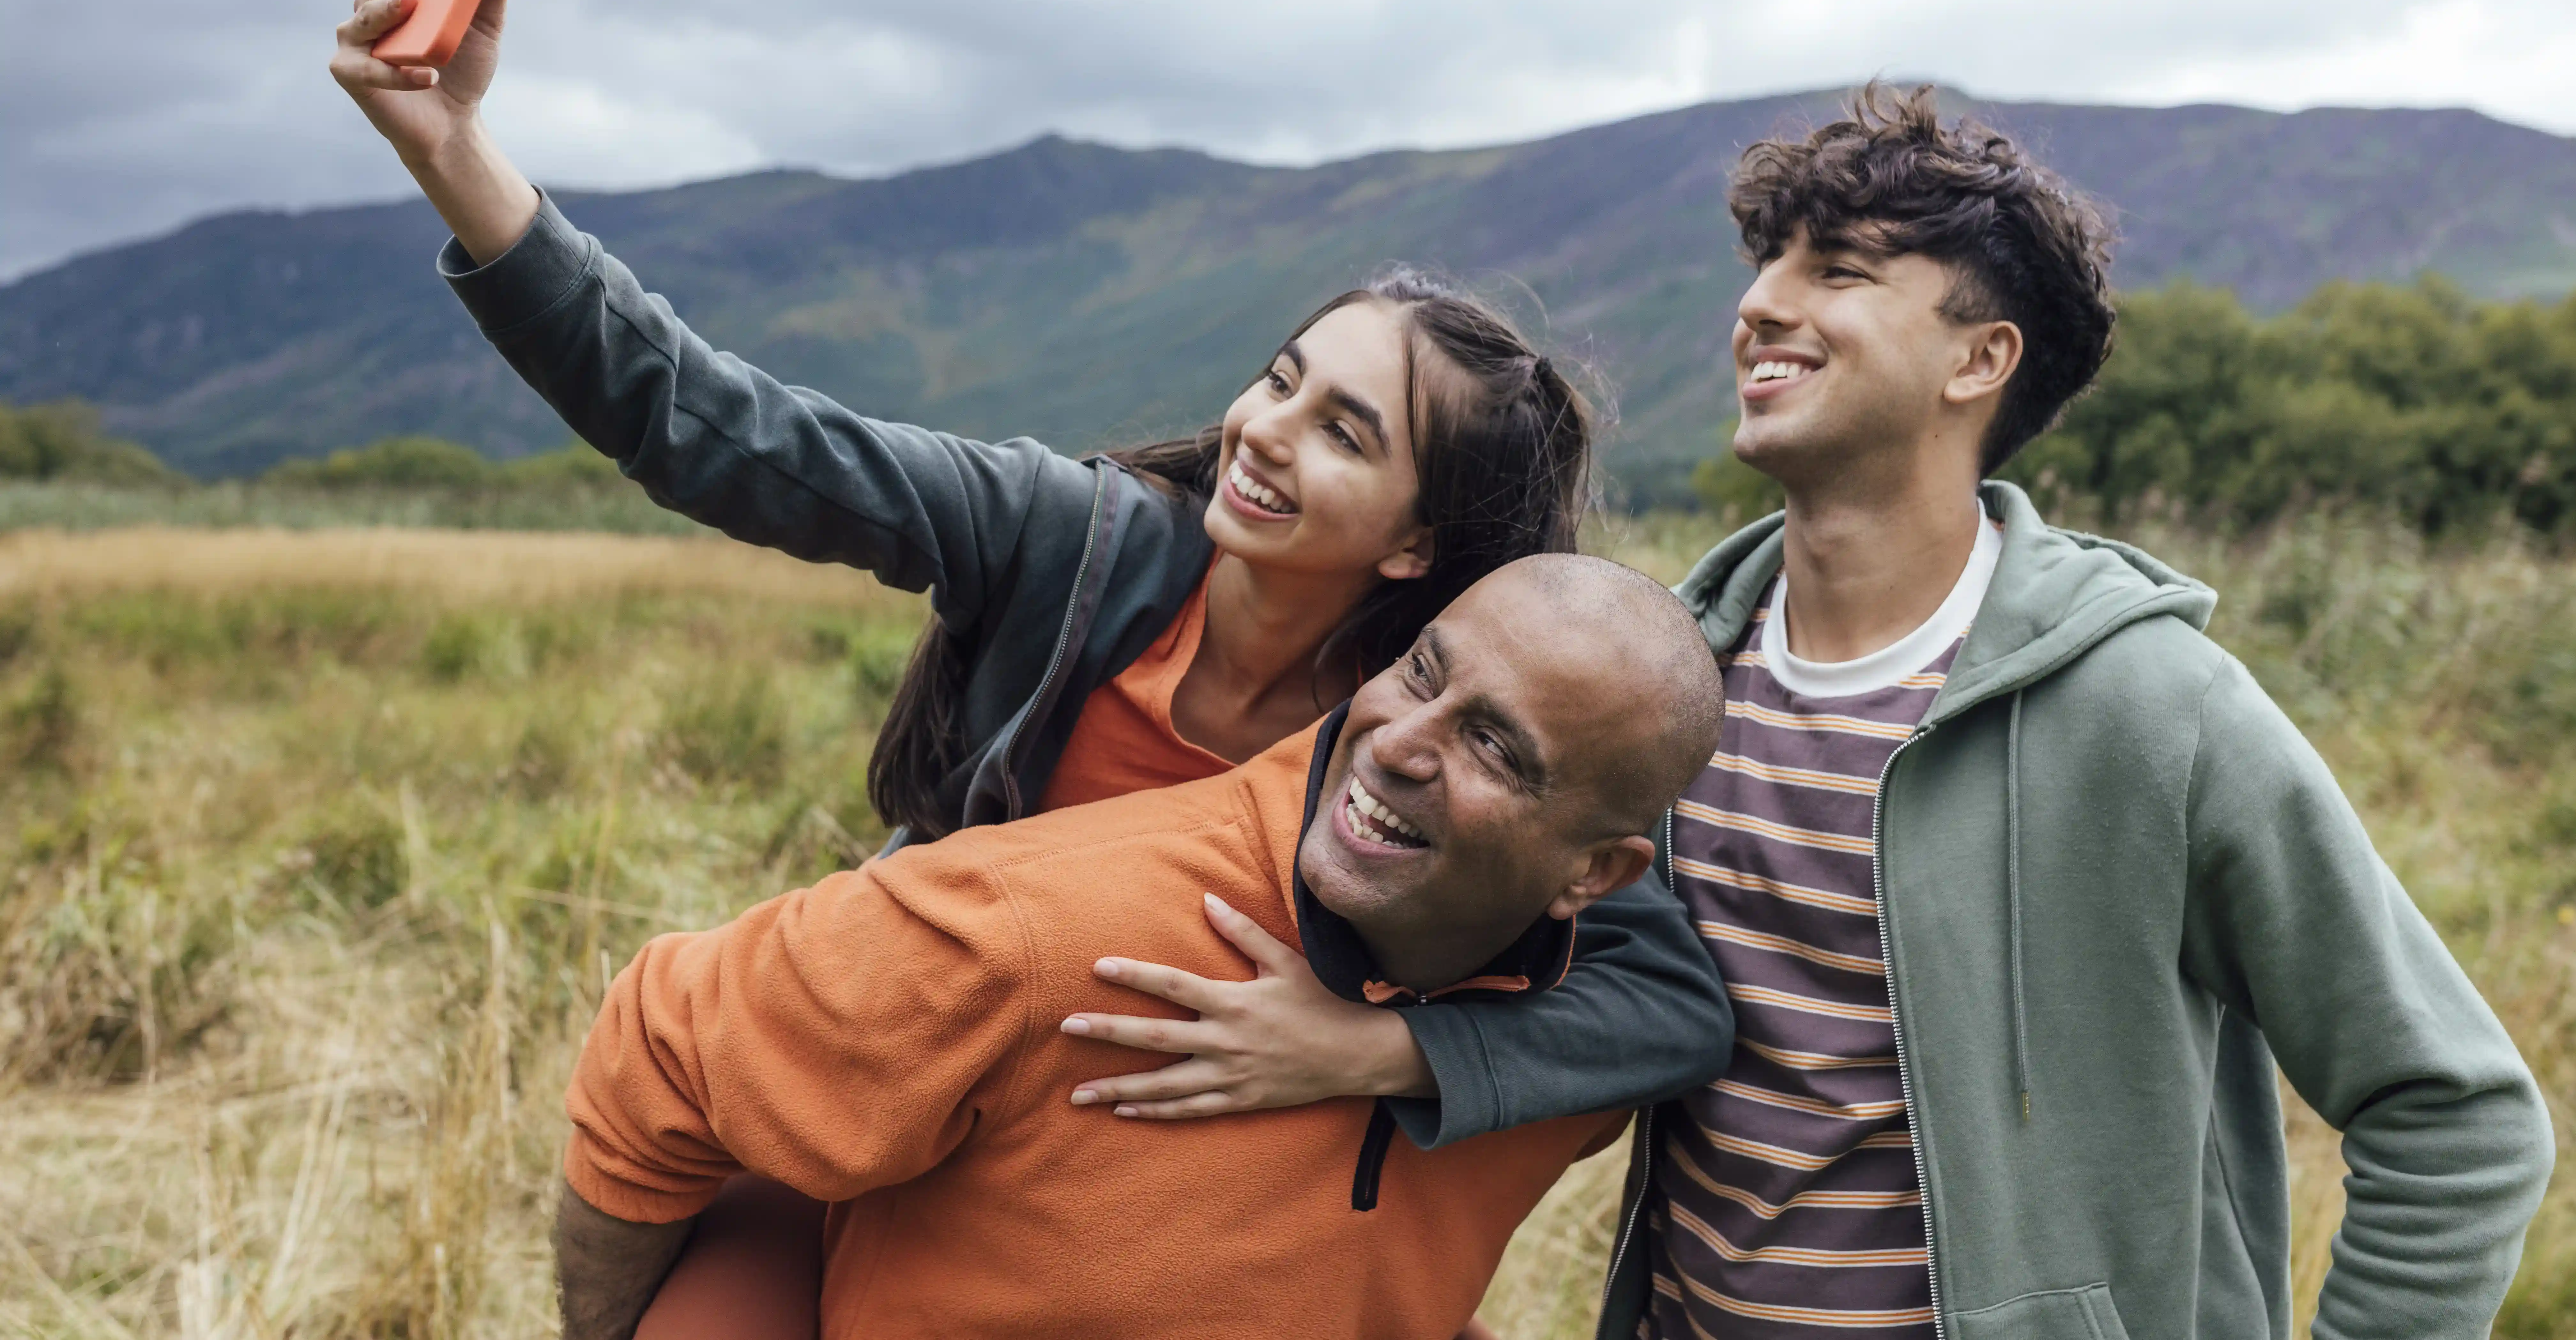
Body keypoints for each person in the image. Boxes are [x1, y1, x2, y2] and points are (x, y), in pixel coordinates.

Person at [328, 0, 1729, 1317]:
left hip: (1087, 1166)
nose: (1262, 428)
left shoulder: (1427, 722)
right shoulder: (1080, 541)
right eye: (1283, 377)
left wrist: (1377, 1053)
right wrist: (452, 150)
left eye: (1344, 434)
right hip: (894, 1049)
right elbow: (720, 431)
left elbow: (1662, 993)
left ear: (1419, 546)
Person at [1598, 85, 2555, 1339]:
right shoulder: (1667, 684)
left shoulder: (2148, 703)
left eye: (1835, 271)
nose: (1760, 303)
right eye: (1765, 263)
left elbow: (2456, 1112)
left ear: (1977, 358)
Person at [553, 554, 1728, 1340]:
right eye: (1420, 671)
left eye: (1495, 749)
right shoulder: (1034, 931)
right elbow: (659, 1044)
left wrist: (1396, 1055)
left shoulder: (1570, 1044)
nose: (1396, 744)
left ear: (1594, 875)